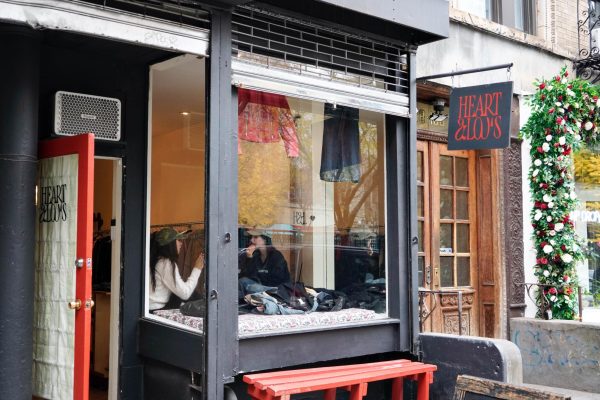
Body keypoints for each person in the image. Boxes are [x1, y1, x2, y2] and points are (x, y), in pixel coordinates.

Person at [149, 227, 204, 311]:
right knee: (194, 297)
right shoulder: (166, 263)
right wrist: (197, 268)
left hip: (149, 308)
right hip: (156, 311)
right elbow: (185, 293)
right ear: (170, 244)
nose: (181, 243)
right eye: (178, 240)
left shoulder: (156, 260)